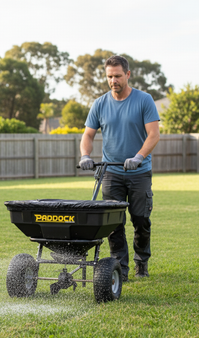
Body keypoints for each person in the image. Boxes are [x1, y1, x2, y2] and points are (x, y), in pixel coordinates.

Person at [79, 55, 160, 281]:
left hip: (138, 172)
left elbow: (154, 134)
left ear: (128, 75)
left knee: (141, 219)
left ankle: (141, 262)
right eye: (109, 76)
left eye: (117, 76)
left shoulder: (144, 100)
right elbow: (88, 134)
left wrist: (139, 156)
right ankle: (119, 268)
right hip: (111, 172)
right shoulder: (100, 104)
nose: (113, 80)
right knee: (113, 223)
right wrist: (85, 155)